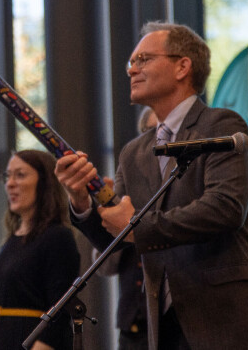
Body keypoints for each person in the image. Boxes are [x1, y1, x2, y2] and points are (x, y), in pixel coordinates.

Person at [55, 22, 248, 350]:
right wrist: (80, 200)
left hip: (227, 319)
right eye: (130, 63)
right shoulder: (134, 152)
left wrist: (137, 226)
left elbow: (224, 209)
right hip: (163, 328)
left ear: (182, 66)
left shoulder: (222, 124)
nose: (131, 70)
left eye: (143, 60)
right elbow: (117, 239)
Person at [0, 150, 81, 350]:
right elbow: (2, 311)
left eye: (20, 175)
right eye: (8, 176)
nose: (10, 183)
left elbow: (60, 311)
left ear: (44, 183)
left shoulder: (57, 237)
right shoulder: (13, 239)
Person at [92, 106, 157, 350]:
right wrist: (114, 218)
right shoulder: (128, 190)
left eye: (161, 131)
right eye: (149, 132)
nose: (156, 140)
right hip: (133, 327)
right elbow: (104, 267)